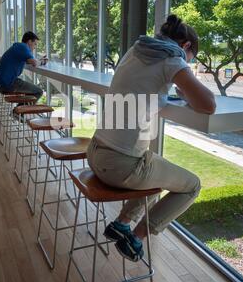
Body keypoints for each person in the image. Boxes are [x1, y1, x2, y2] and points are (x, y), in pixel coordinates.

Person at [87, 15, 216, 262]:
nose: (190, 62)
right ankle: (136, 237)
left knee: (154, 165)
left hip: (95, 152)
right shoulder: (172, 58)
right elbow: (209, 105)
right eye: (192, 58)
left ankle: (122, 224)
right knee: (192, 186)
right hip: (118, 166)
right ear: (186, 47)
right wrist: (187, 90)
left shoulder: (136, 50)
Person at [0, 31, 44, 101]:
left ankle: (19, 110)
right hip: (8, 84)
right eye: (35, 44)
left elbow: (29, 61)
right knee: (39, 91)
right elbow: (34, 63)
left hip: (1, 83)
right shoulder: (23, 47)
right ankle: (18, 110)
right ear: (29, 41)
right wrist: (43, 62)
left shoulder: (18, 46)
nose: (35, 47)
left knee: (30, 91)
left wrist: (38, 61)